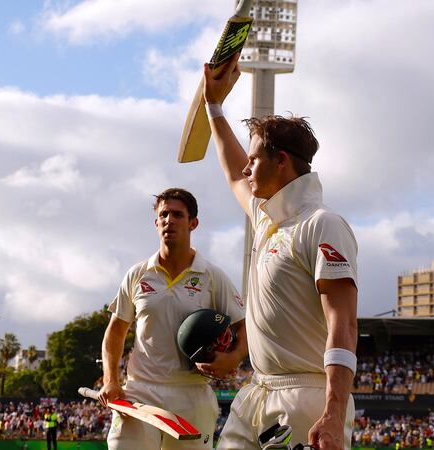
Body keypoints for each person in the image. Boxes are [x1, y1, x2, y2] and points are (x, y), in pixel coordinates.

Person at [200, 54, 359, 450]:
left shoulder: (322, 224)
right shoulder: (268, 220)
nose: (247, 170)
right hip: (256, 392)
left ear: (282, 161)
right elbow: (231, 167)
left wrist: (334, 412)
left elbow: (344, 323)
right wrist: (214, 106)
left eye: (254, 160)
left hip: (306, 396)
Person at [98, 188, 247, 450]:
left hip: (191, 394)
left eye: (178, 215)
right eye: (163, 215)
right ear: (156, 223)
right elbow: (116, 330)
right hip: (140, 392)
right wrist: (111, 379)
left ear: (193, 223)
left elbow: (244, 326)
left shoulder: (212, 276)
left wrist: (233, 358)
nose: (169, 220)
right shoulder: (138, 274)